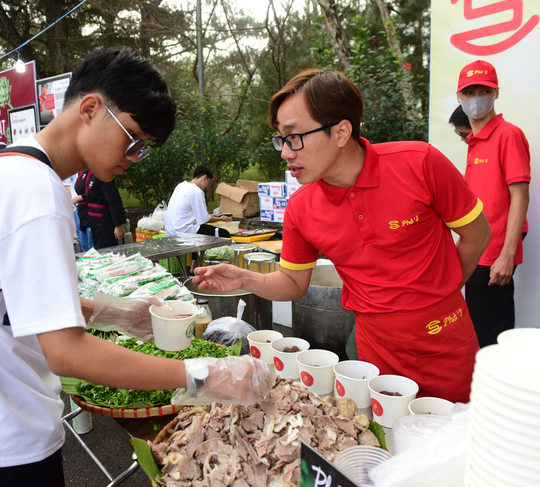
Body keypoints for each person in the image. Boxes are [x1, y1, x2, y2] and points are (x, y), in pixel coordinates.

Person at [0, 47, 273, 486]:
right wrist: (205, 374)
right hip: (4, 424)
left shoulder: (1, 167)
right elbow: (66, 352)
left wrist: (113, 313)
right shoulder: (36, 191)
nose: (135, 156)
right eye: (135, 139)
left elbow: (5, 294)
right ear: (90, 108)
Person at [194, 69, 492, 404]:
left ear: (341, 132)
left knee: (460, 441)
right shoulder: (301, 208)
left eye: (294, 137)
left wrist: (440, 292)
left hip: (446, 344)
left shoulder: (419, 163)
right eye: (281, 139)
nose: (285, 152)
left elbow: (477, 234)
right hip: (376, 353)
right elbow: (293, 283)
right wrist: (243, 278)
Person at [456, 60, 531, 348]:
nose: (476, 99)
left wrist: (507, 255)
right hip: (477, 248)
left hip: (495, 253)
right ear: (459, 97)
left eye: (483, 91)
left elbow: (520, 196)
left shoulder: (508, 135)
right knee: (478, 325)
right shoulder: (475, 140)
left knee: (492, 334)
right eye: (469, 92)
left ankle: (494, 391)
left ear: (496, 92)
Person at [84, 175, 127, 249]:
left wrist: (118, 225)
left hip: (104, 222)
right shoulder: (92, 175)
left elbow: (113, 200)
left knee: (107, 250)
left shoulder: (104, 176)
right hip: (94, 221)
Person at [70, 171, 93, 252]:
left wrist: (79, 198)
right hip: (82, 211)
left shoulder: (94, 172)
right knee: (84, 244)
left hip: (92, 214)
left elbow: (94, 192)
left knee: (91, 248)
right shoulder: (82, 172)